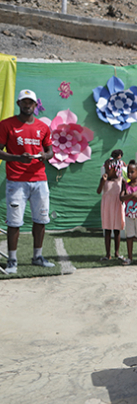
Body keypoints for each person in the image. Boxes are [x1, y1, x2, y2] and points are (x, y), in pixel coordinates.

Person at [0, 89, 56, 273]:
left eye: (30, 102)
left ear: (35, 105)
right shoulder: (6, 125)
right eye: (23, 102)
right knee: (14, 222)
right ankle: (13, 261)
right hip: (16, 181)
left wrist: (44, 156)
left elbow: (50, 151)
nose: (27, 105)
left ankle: (37, 257)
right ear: (18, 104)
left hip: (39, 180)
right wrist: (17, 158)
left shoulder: (42, 127)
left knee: (41, 219)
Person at [97, 158, 125, 261]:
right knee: (107, 230)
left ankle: (117, 253)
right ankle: (108, 254)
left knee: (117, 230)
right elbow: (98, 191)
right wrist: (102, 182)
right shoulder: (104, 180)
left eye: (108, 168)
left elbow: (125, 192)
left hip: (117, 206)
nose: (106, 170)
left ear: (115, 169)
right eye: (105, 167)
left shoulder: (121, 180)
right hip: (107, 207)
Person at [120, 160, 137, 264]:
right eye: (128, 172)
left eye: (132, 172)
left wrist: (129, 195)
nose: (129, 174)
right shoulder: (125, 185)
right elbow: (121, 197)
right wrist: (132, 194)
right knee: (129, 236)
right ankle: (130, 257)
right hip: (128, 215)